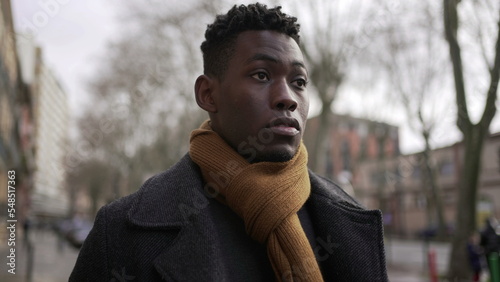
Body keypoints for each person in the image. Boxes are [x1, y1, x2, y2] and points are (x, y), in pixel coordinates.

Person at [69, 3, 388, 281]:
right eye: (261, 75)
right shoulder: (122, 234)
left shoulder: (350, 220)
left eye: (299, 81)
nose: (287, 98)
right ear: (208, 94)